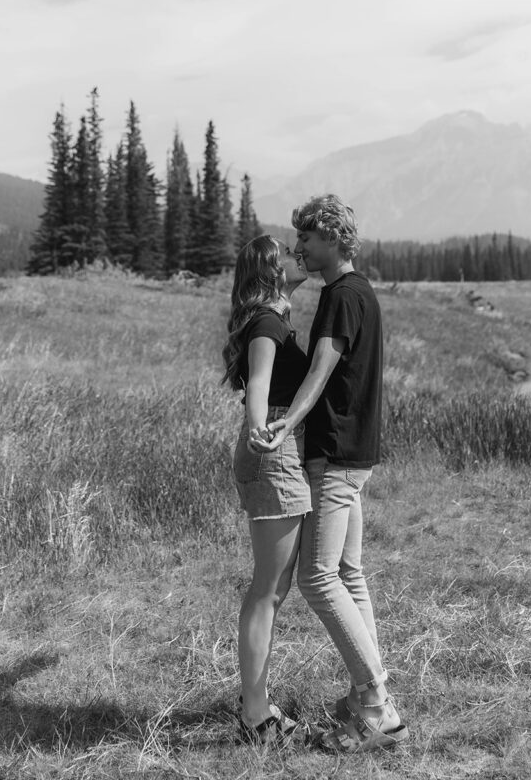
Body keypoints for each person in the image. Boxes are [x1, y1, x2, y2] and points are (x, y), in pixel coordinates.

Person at [255, 194, 409, 753]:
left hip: (335, 452)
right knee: (348, 571)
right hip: (355, 451)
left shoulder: (341, 297)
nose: (300, 247)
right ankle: (368, 696)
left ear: (334, 238)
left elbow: (321, 369)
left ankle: (375, 704)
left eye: (308, 239)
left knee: (317, 578)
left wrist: (286, 422)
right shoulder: (357, 290)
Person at [221, 234, 310, 746]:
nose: (299, 261)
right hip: (272, 447)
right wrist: (260, 431)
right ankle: (255, 716)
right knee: (267, 590)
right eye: (290, 258)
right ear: (273, 272)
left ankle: (256, 707)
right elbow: (259, 383)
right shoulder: (268, 324)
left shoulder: (272, 316)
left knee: (274, 589)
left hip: (276, 444)